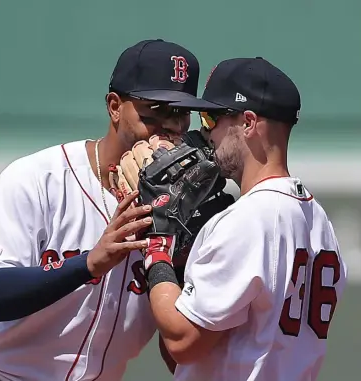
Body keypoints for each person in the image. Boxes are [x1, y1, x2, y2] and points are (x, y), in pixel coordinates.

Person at [0, 38, 214, 381]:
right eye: (156, 109)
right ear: (115, 106)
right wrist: (89, 263)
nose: (171, 125)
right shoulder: (39, 179)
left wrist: (174, 258)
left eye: (181, 112)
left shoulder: (180, 211)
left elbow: (179, 355)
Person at [144, 57, 348, 380]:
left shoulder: (247, 221)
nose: (204, 132)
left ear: (249, 123)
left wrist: (156, 248)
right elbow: (183, 356)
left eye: (211, 118)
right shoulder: (319, 221)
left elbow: (183, 342)